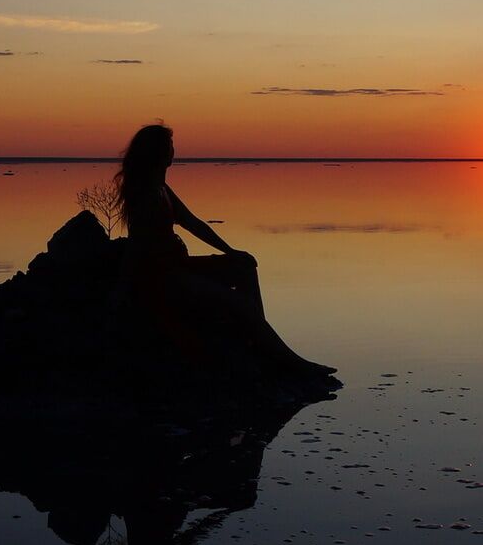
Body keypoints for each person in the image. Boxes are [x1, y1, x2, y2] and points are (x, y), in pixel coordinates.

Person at [113, 123, 334, 375]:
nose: (173, 150)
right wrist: (123, 289)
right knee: (236, 303)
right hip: (165, 276)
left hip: (180, 265)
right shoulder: (144, 193)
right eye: (169, 146)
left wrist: (231, 251)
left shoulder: (161, 188)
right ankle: (288, 360)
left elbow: (193, 223)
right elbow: (137, 246)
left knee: (244, 265)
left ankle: (258, 339)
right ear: (157, 152)